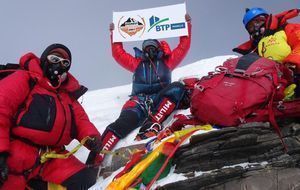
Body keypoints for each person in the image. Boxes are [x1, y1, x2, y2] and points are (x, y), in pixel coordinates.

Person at [0, 44, 102, 190]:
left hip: (53, 156)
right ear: (43, 60)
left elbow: (80, 121)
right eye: (54, 58)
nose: (59, 64)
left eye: (65, 62)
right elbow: (1, 106)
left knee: (87, 181)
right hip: (16, 153)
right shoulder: (26, 78)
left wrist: (91, 137)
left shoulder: (66, 94)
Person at [95, 14, 192, 165]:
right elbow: (118, 53)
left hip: (160, 99)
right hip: (138, 101)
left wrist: (186, 25)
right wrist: (115, 34)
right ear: (143, 51)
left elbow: (183, 47)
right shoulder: (136, 64)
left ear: (158, 49)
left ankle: (151, 124)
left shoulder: (167, 62)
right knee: (122, 123)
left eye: (153, 47)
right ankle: (95, 159)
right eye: (147, 47)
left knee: (178, 88)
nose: (150, 50)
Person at [233, 7, 300, 94]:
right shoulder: (254, 49)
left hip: (295, 75)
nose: (256, 27)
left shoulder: (285, 29)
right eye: (251, 26)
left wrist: (292, 66)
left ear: (267, 19)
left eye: (258, 21)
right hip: (271, 87)